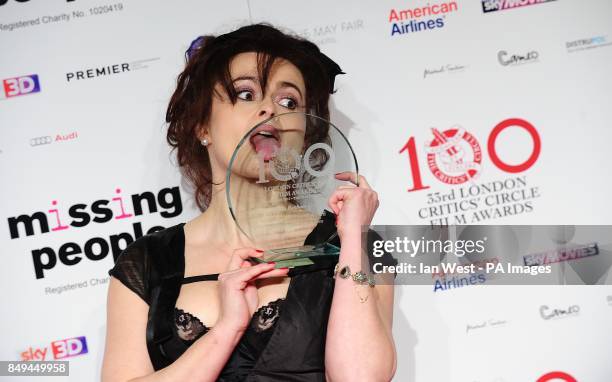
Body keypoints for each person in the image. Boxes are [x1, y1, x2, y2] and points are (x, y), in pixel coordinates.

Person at [102, 23, 397, 381]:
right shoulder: (147, 262)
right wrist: (227, 330)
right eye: (245, 94)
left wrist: (353, 241)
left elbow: (361, 378)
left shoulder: (354, 244)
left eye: (289, 102)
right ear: (202, 126)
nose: (269, 110)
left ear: (304, 137)